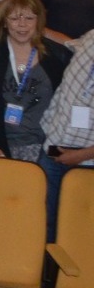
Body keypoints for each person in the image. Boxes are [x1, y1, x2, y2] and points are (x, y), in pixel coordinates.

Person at [0, 0, 69, 165]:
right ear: (4, 22)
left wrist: (57, 151)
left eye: (29, 18)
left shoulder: (57, 55)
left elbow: (66, 105)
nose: (22, 25)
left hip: (44, 148)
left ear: (38, 21)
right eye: (14, 19)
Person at [39, 34, 94, 241]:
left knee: (76, 229)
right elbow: (68, 43)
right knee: (42, 221)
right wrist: (38, 26)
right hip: (53, 147)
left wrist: (80, 156)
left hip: (87, 162)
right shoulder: (91, 37)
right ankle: (40, 271)